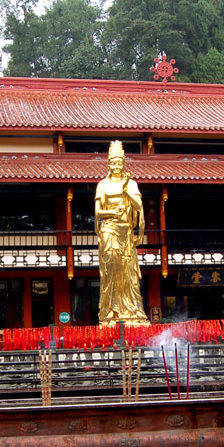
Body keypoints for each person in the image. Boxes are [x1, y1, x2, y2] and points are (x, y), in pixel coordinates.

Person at [95, 140, 149, 326]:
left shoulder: (131, 184)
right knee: (110, 270)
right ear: (108, 164)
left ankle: (132, 311)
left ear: (124, 163)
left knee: (128, 272)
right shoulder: (102, 184)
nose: (117, 166)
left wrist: (126, 190)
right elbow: (98, 213)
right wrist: (112, 213)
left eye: (120, 162)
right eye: (114, 163)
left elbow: (139, 206)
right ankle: (111, 312)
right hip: (109, 229)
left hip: (126, 231)